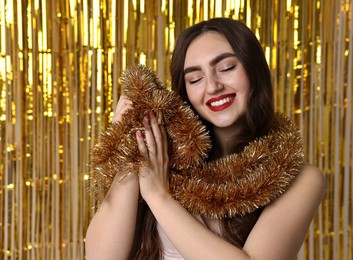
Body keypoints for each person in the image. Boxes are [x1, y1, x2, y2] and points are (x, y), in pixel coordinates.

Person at [85, 17, 325, 259]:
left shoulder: (300, 178)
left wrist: (159, 197)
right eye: (195, 79)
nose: (212, 87)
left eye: (226, 68)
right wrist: (128, 145)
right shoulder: (162, 156)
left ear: (254, 70)